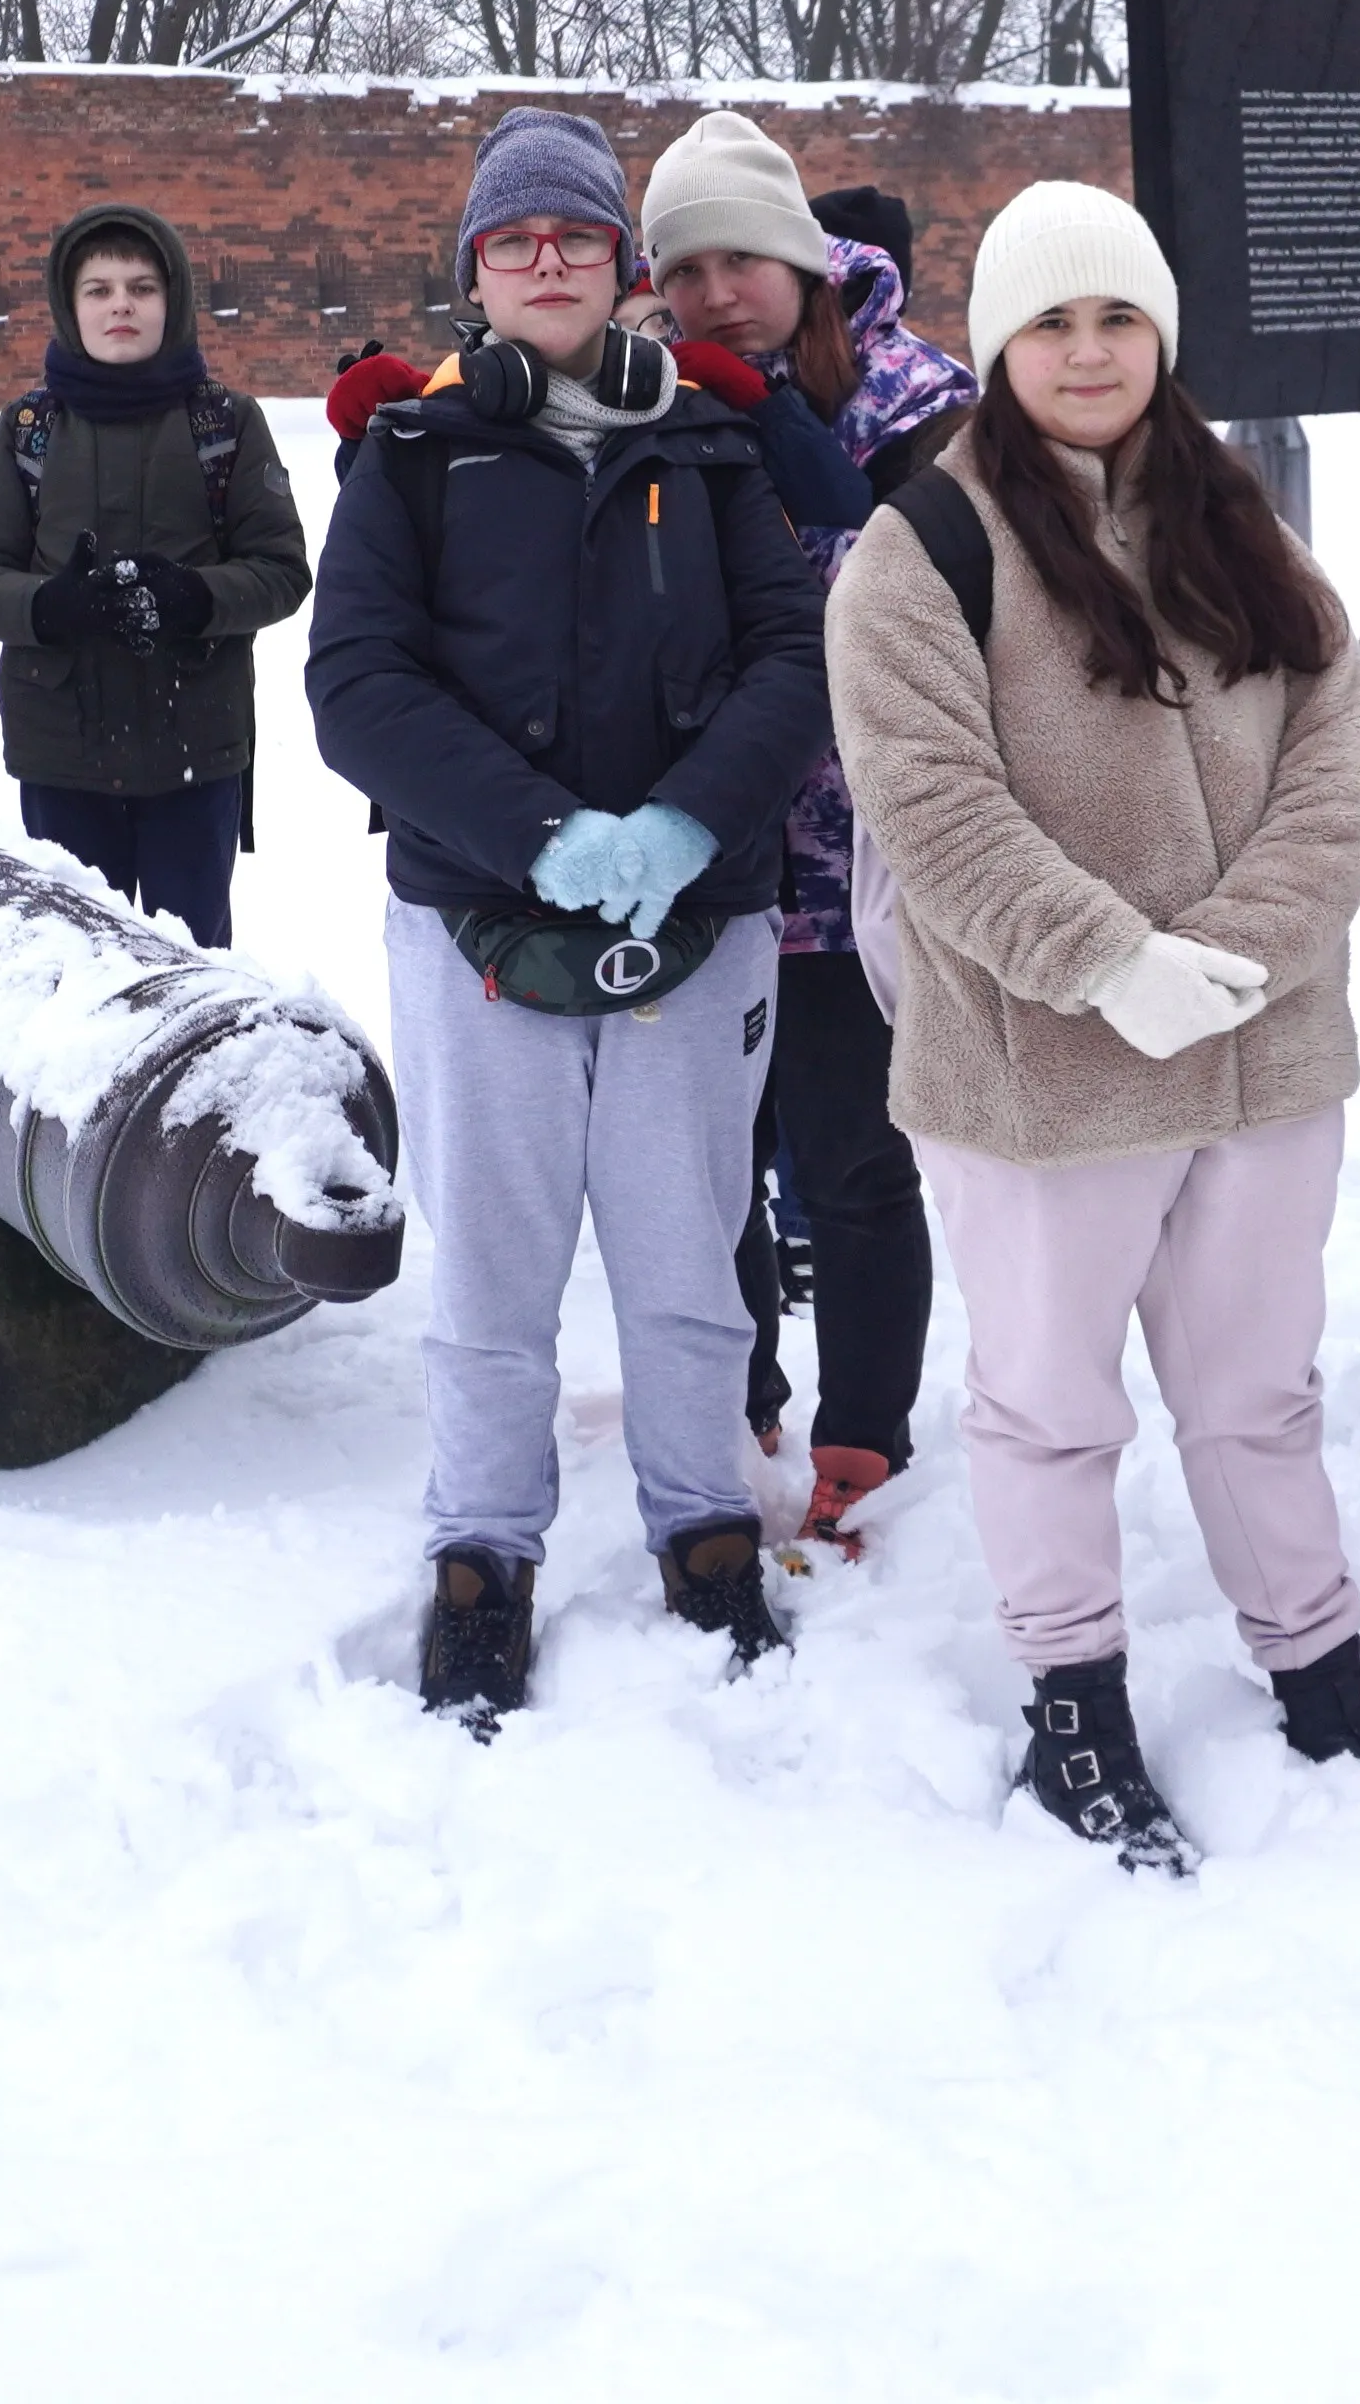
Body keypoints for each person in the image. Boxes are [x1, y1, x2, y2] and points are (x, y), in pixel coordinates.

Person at [829, 179, 1360, 1873]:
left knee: (1255, 1394)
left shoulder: (1244, 525)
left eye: (1116, 318)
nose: (1088, 351)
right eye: (1050, 323)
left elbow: (1338, 758)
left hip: (1264, 1054)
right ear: (1001, 348)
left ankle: (1318, 1671)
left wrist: (1234, 950)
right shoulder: (921, 552)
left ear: (1160, 336)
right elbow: (930, 805)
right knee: (1047, 1404)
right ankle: (1074, 1711)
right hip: (1038, 1076)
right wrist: (1107, 962)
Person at [302, 111, 830, 1729]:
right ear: (478, 268)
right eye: (516, 241)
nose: (547, 261)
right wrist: (536, 833)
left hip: (703, 920)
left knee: (686, 1255)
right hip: (477, 931)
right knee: (495, 1274)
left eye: (577, 238)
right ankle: (482, 1549)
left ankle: (704, 1521)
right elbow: (357, 686)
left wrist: (683, 819)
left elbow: (793, 659)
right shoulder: (413, 456)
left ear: (622, 265)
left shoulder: (717, 447)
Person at [637, 107, 972, 1546]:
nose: (718, 293)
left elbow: (952, 605)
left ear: (800, 255)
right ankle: (743, 1391)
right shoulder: (650, 392)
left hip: (855, 861)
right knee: (710, 1164)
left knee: (848, 1162)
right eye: (686, 267)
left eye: (742, 260)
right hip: (702, 856)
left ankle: (863, 1434)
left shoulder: (915, 398)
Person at [0, 200, 308, 948]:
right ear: (68, 305)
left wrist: (196, 597)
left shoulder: (226, 424)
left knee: (192, 967)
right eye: (99, 289)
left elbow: (281, 568)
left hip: (195, 753)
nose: (121, 306)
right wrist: (50, 607)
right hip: (62, 755)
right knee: (78, 969)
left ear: (171, 302)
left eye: (141, 288)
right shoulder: (28, 430)